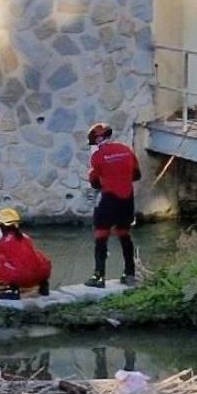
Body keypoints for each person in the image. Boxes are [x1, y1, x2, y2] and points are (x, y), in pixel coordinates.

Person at [84, 123, 140, 288]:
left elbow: (94, 182)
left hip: (108, 199)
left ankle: (99, 276)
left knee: (101, 234)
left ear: (98, 138)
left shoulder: (97, 157)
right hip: (127, 199)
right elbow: (137, 174)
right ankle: (129, 274)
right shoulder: (126, 150)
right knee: (124, 234)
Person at [0, 208, 53, 301]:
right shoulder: (25, 237)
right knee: (37, 255)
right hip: (42, 274)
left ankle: (13, 290)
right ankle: (44, 285)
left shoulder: (3, 242)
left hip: (23, 277)